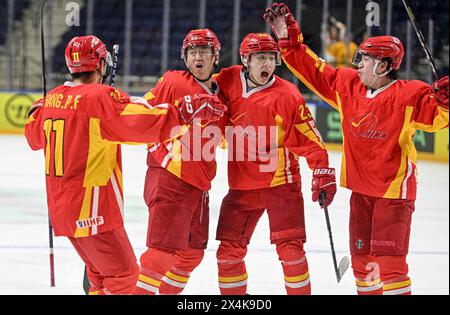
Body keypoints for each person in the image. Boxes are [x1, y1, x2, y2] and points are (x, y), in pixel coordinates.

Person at [264, 3, 449, 295]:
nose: (358, 63)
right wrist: (289, 41)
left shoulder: (411, 94)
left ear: (384, 65)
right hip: (361, 194)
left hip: (393, 195)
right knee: (363, 267)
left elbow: (440, 119)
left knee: (390, 267)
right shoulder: (347, 86)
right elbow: (313, 71)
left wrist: (446, 102)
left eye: (365, 58)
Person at [24, 35, 226, 295]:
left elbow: (32, 137)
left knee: (100, 278)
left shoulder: (52, 99)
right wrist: (182, 113)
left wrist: (37, 107)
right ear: (100, 64)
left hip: (62, 211)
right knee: (126, 278)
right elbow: (141, 123)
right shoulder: (100, 98)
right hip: (93, 210)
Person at [214, 33, 336, 295]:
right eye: (260, 58)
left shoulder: (288, 95)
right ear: (245, 60)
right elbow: (202, 91)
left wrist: (322, 169)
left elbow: (310, 138)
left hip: (281, 185)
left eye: (271, 57)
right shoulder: (228, 79)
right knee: (227, 253)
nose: (266, 64)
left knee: (291, 252)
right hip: (241, 187)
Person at [134, 29, 228, 295]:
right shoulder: (173, 82)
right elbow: (142, 112)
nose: (198, 57)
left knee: (191, 254)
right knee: (160, 254)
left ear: (215, 57)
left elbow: (222, 138)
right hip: (169, 177)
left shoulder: (222, 96)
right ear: (185, 58)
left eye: (204, 52)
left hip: (199, 184)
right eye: (192, 52)